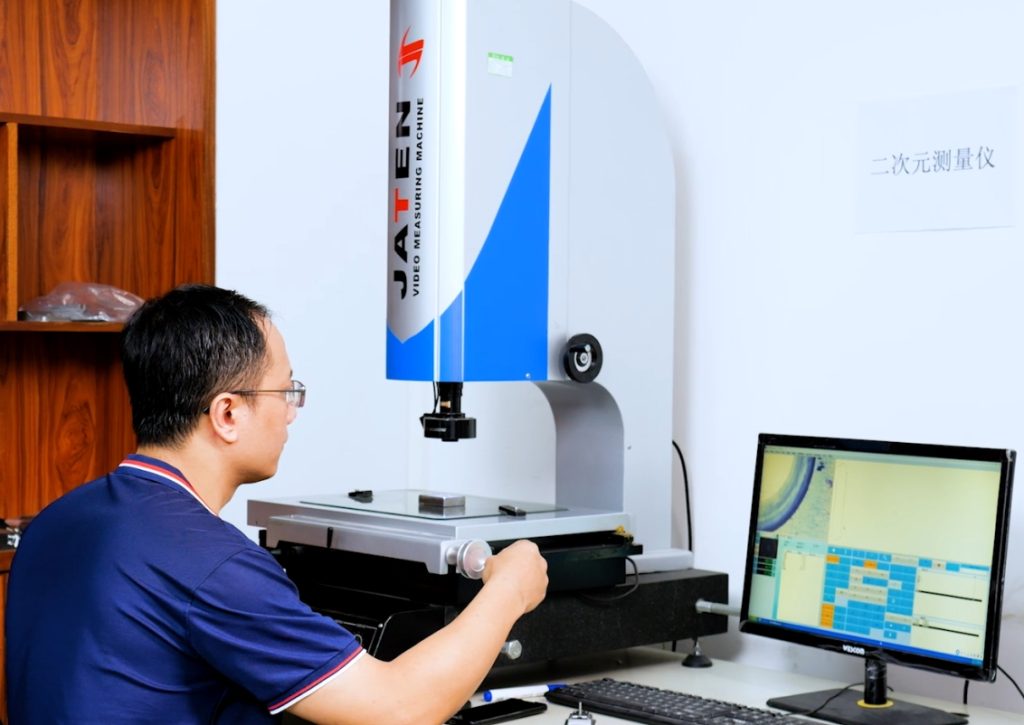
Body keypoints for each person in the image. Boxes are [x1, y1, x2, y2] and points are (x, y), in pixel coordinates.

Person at [4, 284, 548, 724]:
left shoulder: (56, 521)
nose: (291, 412)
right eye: (286, 392)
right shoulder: (211, 565)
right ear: (227, 414)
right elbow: (397, 709)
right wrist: (509, 589)